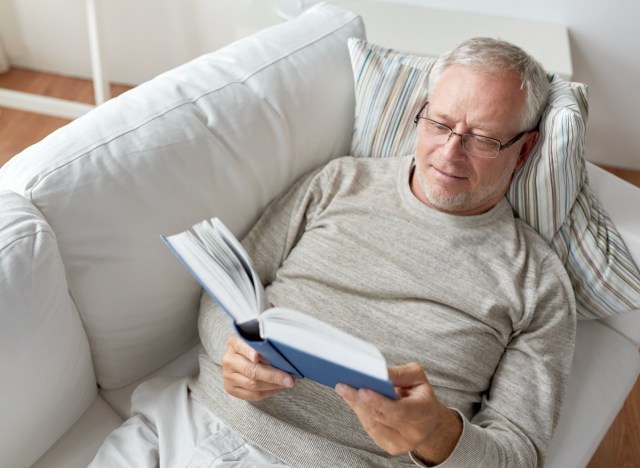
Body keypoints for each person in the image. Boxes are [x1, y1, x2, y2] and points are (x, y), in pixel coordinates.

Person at [90, 37, 576, 467]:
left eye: (483, 139)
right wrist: (230, 350)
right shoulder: (341, 181)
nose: (449, 152)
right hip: (191, 422)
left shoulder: (539, 282)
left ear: (525, 149)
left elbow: (518, 454)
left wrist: (438, 435)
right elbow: (231, 286)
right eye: (440, 123)